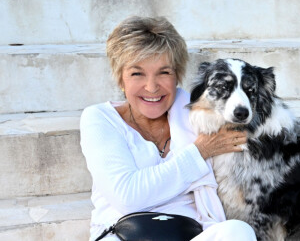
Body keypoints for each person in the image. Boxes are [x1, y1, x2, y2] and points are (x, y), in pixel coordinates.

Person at [80, 16, 257, 241]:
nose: (152, 87)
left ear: (177, 76)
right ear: (121, 79)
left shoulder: (198, 111)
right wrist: (200, 151)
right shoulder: (100, 119)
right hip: (124, 234)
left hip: (189, 233)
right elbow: (128, 196)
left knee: (238, 231)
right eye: (137, 73)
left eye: (164, 72)